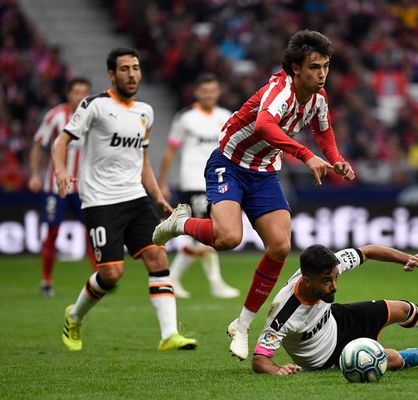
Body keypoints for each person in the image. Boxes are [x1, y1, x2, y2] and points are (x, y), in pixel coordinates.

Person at [153, 30, 355, 360]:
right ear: (295, 69)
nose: (322, 74)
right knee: (228, 238)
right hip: (229, 163)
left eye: (326, 66)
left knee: (280, 246)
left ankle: (242, 325)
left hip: (263, 173)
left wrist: (336, 160)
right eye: (315, 67)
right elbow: (263, 126)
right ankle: (180, 224)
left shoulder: (317, 99)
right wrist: (305, 156)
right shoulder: (280, 90)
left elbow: (324, 131)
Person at [52, 47, 196, 351]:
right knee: (112, 274)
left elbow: (142, 160)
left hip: (135, 197)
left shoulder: (145, 112)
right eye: (125, 69)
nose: (132, 75)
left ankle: (169, 334)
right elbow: (61, 142)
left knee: (157, 257)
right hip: (100, 201)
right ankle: (74, 316)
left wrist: (157, 196)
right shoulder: (94, 106)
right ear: (111, 74)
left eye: (136, 68)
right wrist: (62, 171)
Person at [251, 244, 418, 375]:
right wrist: (276, 370)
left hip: (336, 320)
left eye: (336, 277)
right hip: (326, 359)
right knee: (389, 359)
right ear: (306, 281)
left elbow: (369, 251)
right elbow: (260, 359)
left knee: (402, 308)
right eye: (327, 280)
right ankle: (400, 358)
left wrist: (407, 258)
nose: (335, 285)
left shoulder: (330, 266)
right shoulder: (283, 314)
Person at [157, 74, 239, 299]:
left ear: (218, 92)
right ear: (197, 92)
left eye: (212, 90)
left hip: (220, 181)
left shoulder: (226, 116)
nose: (209, 94)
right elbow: (170, 150)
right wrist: (162, 182)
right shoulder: (186, 118)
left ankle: (175, 279)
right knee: (208, 232)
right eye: (204, 91)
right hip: (194, 180)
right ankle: (211, 283)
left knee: (210, 234)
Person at [28, 77, 95, 297]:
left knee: (94, 233)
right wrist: (35, 174)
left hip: (85, 187)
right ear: (68, 94)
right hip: (55, 188)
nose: (79, 96)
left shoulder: (95, 116)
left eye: (84, 92)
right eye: (76, 92)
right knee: (52, 232)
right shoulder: (55, 116)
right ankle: (46, 281)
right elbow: (39, 145)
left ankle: (99, 280)